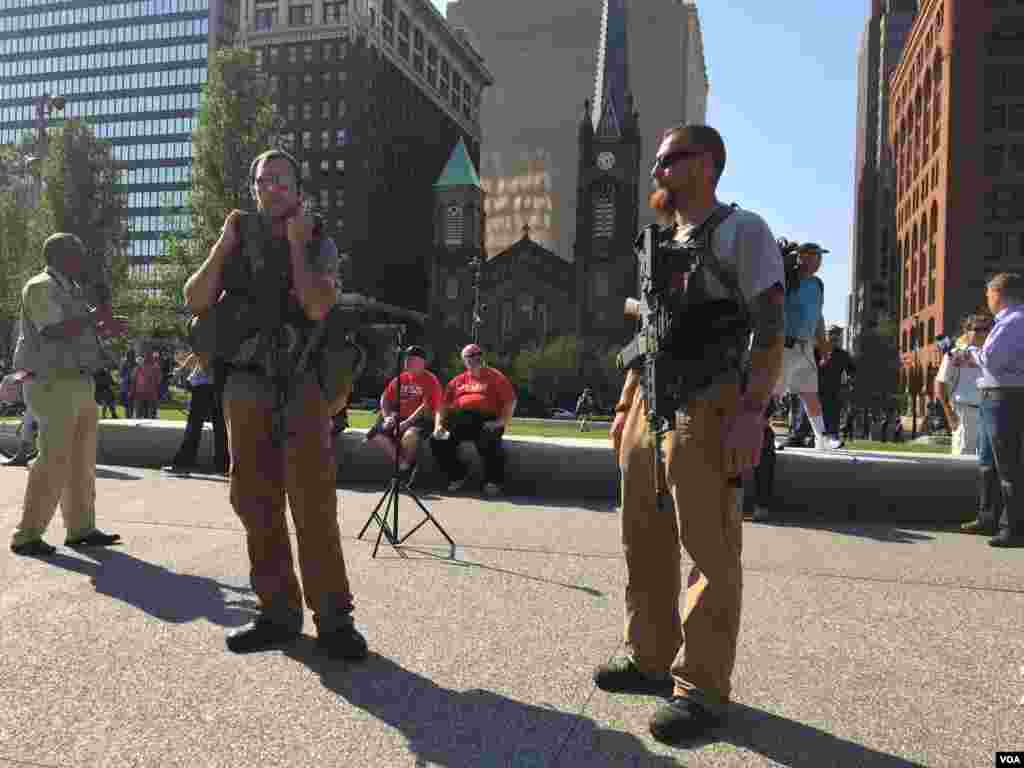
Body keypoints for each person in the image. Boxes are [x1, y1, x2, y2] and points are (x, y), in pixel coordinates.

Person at [595, 124, 785, 744]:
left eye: (673, 158)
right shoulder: (656, 244)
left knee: (709, 550)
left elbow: (769, 326)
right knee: (641, 540)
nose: (659, 168)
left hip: (711, 403)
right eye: (658, 160)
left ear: (708, 163)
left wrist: (754, 410)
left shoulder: (743, 231)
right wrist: (625, 407)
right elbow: (648, 336)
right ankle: (649, 656)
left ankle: (700, 687)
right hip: (650, 405)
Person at [183, 147, 368, 656]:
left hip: (301, 383)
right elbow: (195, 300)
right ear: (254, 187)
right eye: (265, 180)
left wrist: (294, 246)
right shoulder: (236, 239)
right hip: (244, 385)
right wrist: (223, 243)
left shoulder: (318, 240)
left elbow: (315, 303)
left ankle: (334, 621)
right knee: (254, 500)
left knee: (312, 503)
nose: (273, 188)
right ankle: (276, 612)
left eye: (283, 179)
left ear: (299, 188)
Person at [9, 232, 128, 556]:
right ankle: (27, 535)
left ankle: (81, 530)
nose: (83, 259)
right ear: (61, 256)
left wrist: (106, 325)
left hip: (80, 381)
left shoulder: (70, 288)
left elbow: (78, 329)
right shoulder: (40, 286)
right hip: (51, 382)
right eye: (79, 252)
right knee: (53, 459)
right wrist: (94, 316)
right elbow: (52, 330)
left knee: (82, 461)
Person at [951, 272, 1024, 547]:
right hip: (997, 394)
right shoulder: (1011, 320)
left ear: (998, 294)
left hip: (1005, 397)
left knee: (1008, 465)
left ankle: (1012, 528)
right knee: (991, 464)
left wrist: (971, 353)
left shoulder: (1013, 321)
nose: (987, 301)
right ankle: (990, 517)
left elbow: (992, 359)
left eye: (989, 295)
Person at [774, 242, 840, 450]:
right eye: (814, 256)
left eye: (820, 257)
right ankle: (763, 433)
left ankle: (822, 438)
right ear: (801, 257)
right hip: (784, 345)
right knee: (773, 393)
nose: (818, 261)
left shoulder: (817, 284)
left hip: (806, 348)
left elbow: (818, 317)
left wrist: (823, 345)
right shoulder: (786, 279)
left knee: (810, 394)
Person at [430, 343, 516, 497]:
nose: (476, 358)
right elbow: (442, 406)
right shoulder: (457, 381)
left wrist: (501, 422)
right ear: (464, 360)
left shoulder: (495, 376)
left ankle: (493, 480)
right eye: (471, 355)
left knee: (489, 441)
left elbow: (510, 401)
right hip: (461, 420)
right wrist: (438, 426)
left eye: (479, 354)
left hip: (487, 419)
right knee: (437, 440)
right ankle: (457, 474)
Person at [365, 344, 442, 487]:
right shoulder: (401, 378)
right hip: (398, 417)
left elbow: (425, 407)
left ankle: (403, 473)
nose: (407, 362)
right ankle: (405, 465)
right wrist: (387, 416)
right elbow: (385, 398)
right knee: (375, 435)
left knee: (409, 436)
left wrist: (407, 423)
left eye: (412, 359)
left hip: (420, 420)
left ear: (422, 362)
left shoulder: (430, 379)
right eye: (407, 359)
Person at [162, 353, 228, 476]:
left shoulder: (208, 337)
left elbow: (200, 354)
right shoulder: (223, 340)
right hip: (218, 385)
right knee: (220, 427)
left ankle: (183, 463)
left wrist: (181, 370)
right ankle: (223, 465)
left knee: (194, 426)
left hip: (203, 386)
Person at [935, 314, 991, 456]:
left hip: (988, 413)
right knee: (963, 457)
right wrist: (949, 413)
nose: (983, 333)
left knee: (986, 460)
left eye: (986, 329)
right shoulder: (955, 355)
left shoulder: (991, 355)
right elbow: (939, 384)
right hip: (964, 412)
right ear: (967, 331)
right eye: (977, 329)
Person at [818, 325, 856, 446]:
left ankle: (832, 437)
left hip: (834, 390)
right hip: (816, 390)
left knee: (833, 414)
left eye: (836, 338)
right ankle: (815, 437)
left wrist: (849, 381)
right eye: (831, 336)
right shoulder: (817, 350)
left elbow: (852, 371)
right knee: (817, 415)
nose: (834, 340)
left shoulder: (842, 355)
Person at [131, 350, 161, 419]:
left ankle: (138, 423)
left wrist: (132, 390)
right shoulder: (156, 367)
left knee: (139, 411)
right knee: (149, 411)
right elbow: (159, 380)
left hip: (140, 392)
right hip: (150, 392)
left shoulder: (138, 367)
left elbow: (133, 379)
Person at [119, 349, 137, 418]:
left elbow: (121, 374)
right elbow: (122, 374)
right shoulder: (132, 364)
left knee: (128, 403)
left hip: (128, 386)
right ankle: (129, 416)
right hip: (130, 385)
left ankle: (128, 416)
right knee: (130, 403)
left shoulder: (125, 364)